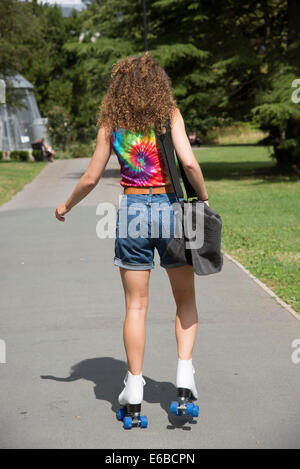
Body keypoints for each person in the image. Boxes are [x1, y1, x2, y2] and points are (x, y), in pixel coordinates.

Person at [55, 51, 209, 428]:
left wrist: (65, 205)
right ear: (159, 84)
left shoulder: (111, 121)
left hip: (133, 213)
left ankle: (134, 389)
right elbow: (188, 162)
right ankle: (185, 380)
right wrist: (203, 198)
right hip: (172, 211)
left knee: (136, 307)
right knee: (185, 300)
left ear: (118, 86)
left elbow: (91, 177)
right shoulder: (168, 113)